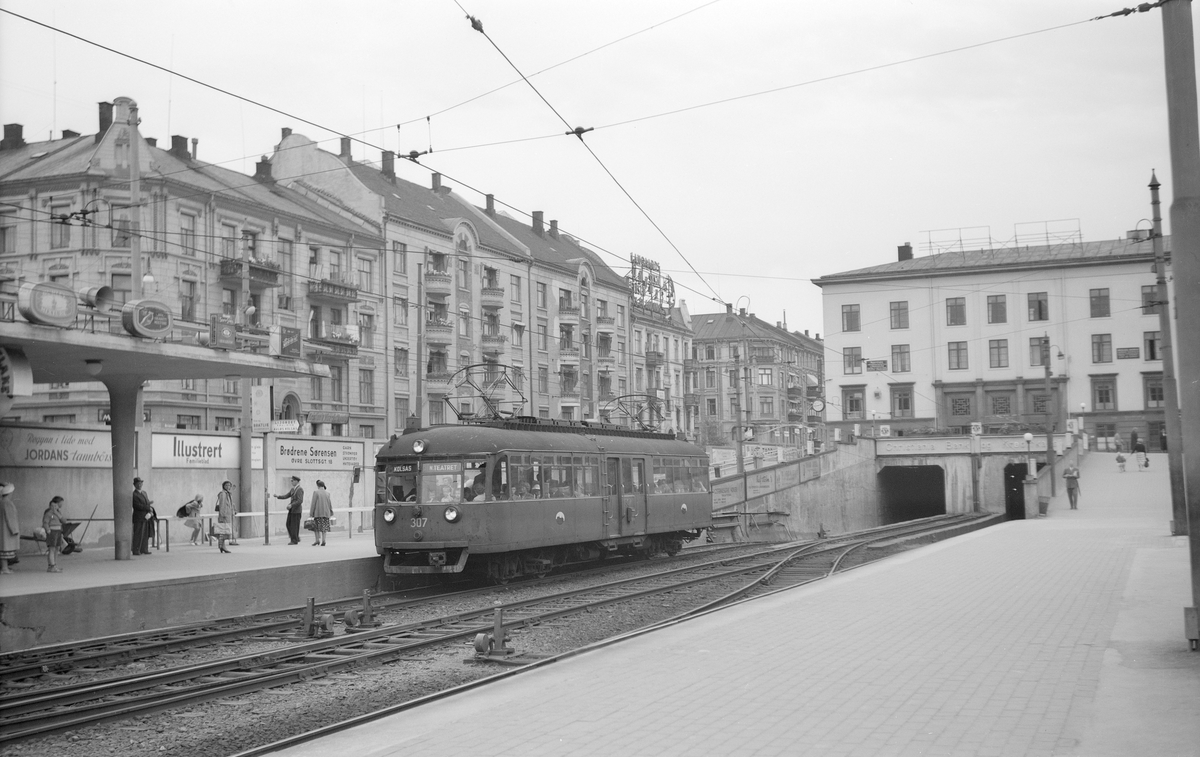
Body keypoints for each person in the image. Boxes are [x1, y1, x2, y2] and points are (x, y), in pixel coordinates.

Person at [274, 476, 304, 545]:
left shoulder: (299, 489)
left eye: (292, 481)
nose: (291, 482)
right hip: (292, 510)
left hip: (296, 510)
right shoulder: (293, 489)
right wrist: (278, 496)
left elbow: (300, 500)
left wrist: (291, 505)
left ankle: (294, 540)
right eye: (291, 481)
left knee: (294, 526)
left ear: (296, 481)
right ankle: (296, 537)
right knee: (288, 524)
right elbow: (286, 496)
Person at [131, 477, 155, 555]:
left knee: (145, 534)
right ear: (134, 485)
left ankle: (144, 549)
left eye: (141, 483)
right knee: (138, 534)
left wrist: (149, 509)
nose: (140, 485)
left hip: (146, 516)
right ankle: (136, 550)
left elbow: (146, 502)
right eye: (138, 483)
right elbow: (137, 505)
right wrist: (148, 507)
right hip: (138, 517)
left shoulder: (144, 493)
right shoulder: (134, 494)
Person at [42, 496, 66, 572]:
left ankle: (54, 564)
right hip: (52, 531)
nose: (55, 507)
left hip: (58, 531)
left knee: (57, 549)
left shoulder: (58, 513)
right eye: (53, 506)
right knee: (52, 549)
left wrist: (57, 513)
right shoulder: (49, 513)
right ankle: (52, 566)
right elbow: (45, 522)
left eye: (56, 506)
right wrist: (48, 530)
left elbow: (64, 521)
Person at [0, 482, 19, 574]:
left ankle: (4, 567)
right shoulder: (8, 503)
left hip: (2, 529)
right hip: (6, 530)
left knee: (3, 548)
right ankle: (4, 568)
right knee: (5, 549)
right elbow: (10, 518)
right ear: (10, 493)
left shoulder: (1, 502)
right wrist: (14, 530)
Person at [309, 479, 333, 546]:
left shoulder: (316, 492)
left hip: (318, 513)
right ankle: (324, 540)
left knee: (316, 527)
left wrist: (311, 513)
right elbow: (329, 503)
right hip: (326, 513)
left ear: (318, 485)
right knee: (324, 527)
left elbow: (313, 503)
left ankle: (317, 540)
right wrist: (331, 511)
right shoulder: (327, 493)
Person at [214, 483, 235, 553]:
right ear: (223, 486)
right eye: (226, 485)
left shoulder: (228, 494)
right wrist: (222, 515)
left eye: (229, 485)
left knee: (224, 531)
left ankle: (221, 546)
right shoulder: (223, 494)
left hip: (228, 515)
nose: (228, 487)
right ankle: (222, 546)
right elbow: (222, 505)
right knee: (224, 531)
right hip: (224, 516)